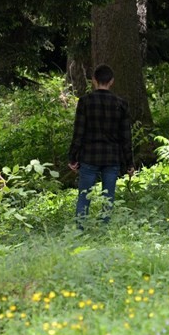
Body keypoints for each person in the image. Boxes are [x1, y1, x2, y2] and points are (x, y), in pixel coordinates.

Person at [68, 65, 134, 223]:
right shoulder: (121, 104)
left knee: (84, 196)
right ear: (111, 81)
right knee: (108, 197)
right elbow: (126, 136)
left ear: (94, 80)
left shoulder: (85, 102)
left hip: (89, 156)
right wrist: (129, 163)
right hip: (112, 157)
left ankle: (79, 230)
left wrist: (72, 157)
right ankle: (105, 231)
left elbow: (79, 132)